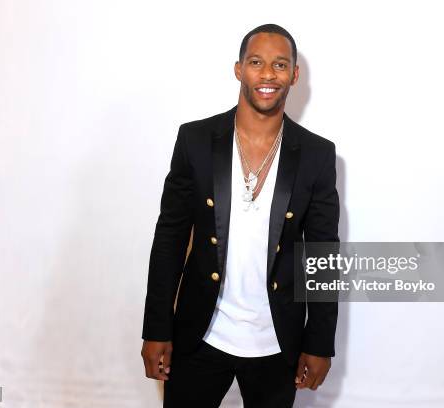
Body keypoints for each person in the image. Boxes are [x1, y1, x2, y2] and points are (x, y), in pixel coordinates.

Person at [141, 23, 340, 408]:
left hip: (276, 342)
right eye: (256, 62)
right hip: (200, 334)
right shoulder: (195, 140)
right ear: (238, 69)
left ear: (295, 75)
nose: (268, 74)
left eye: (280, 65)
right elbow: (169, 240)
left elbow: (322, 257)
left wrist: (319, 342)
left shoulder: (317, 155)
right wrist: (156, 328)